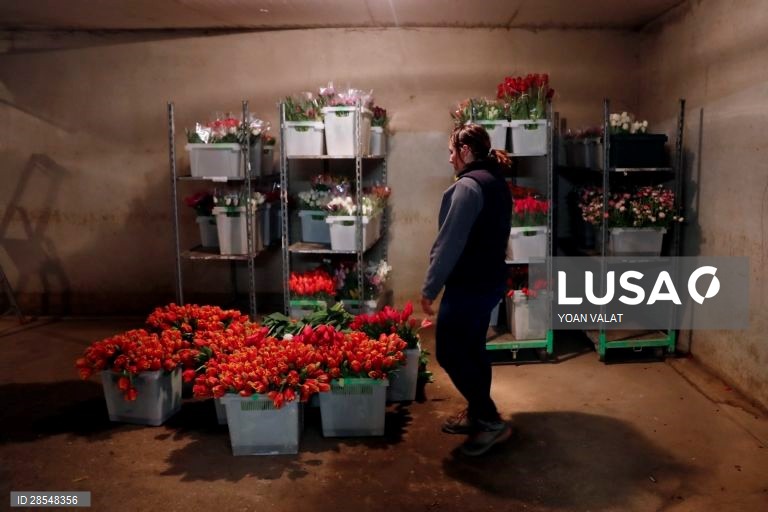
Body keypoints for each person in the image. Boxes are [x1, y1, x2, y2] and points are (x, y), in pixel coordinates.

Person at [421, 123, 513, 456]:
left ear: (464, 151)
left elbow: (449, 244)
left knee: (449, 351)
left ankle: (489, 420)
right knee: (473, 348)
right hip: (489, 281)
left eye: (451, 152)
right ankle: (478, 413)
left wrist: (430, 287)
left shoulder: (468, 187)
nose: (449, 159)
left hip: (469, 285)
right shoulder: (496, 181)